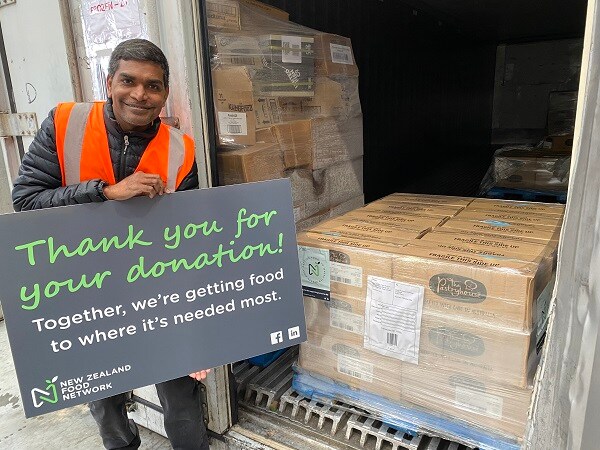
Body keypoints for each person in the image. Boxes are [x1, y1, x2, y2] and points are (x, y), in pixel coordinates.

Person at [12, 38, 210, 450]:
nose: (140, 94)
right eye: (128, 81)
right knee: (104, 397)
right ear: (109, 82)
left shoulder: (181, 149)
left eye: (153, 86)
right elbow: (27, 201)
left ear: (165, 93)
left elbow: (192, 240)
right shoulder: (66, 122)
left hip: (157, 293)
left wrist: (198, 326)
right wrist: (104, 192)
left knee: (182, 396)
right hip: (85, 294)